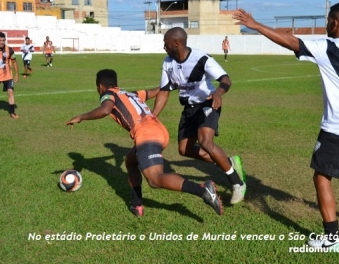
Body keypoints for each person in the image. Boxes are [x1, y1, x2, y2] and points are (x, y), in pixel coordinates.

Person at [233, 0, 339, 250]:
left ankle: (332, 238)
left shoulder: (327, 47)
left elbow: (291, 42)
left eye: (329, 20)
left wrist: (256, 24)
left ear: (335, 24)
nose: (326, 23)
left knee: (321, 177)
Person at [66, 69, 223, 217]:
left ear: (100, 86)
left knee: (155, 179)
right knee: (130, 161)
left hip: (147, 134)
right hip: (158, 129)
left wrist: (81, 117)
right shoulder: (130, 94)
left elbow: (105, 110)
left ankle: (202, 190)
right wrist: (173, 84)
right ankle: (137, 204)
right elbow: (156, 90)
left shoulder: (107, 94)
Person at [152, 27, 246, 205]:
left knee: (205, 142)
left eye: (166, 44)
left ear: (177, 43)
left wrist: (218, 93)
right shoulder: (167, 63)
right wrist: (153, 116)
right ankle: (229, 164)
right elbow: (164, 91)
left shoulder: (201, 58)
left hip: (208, 103)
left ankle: (237, 182)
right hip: (189, 109)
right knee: (184, 150)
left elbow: (226, 79)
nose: (164, 47)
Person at [0, 32, 19, 118]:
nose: (2, 42)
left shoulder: (10, 50)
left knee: (10, 91)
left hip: (7, 75)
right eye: (0, 40)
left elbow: (14, 62)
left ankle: (12, 112)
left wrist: (16, 74)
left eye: (3, 40)